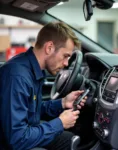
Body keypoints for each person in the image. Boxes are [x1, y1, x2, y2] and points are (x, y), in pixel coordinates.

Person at [0, 22, 87, 150]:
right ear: (49, 48)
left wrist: (62, 103)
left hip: (20, 136)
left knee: (68, 139)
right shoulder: (18, 77)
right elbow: (17, 139)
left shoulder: (32, 69)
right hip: (10, 144)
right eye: (65, 56)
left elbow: (31, 110)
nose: (66, 63)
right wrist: (60, 123)